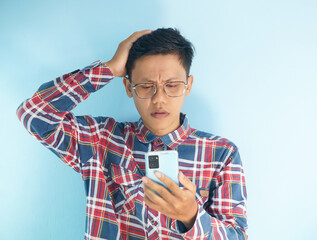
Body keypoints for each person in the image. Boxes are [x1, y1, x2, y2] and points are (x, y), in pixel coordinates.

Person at [16, 28, 248, 240]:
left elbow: (238, 235)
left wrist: (191, 216)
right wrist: (108, 69)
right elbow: (35, 114)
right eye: (146, 86)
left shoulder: (222, 154)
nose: (159, 99)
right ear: (129, 88)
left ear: (188, 85)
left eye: (173, 85)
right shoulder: (101, 140)